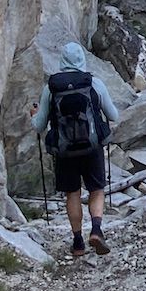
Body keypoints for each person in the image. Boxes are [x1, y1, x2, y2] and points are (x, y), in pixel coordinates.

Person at [31, 40, 120, 259]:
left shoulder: (51, 88)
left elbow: (39, 125)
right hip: (92, 147)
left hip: (64, 150)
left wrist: (32, 115)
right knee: (97, 189)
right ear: (82, 59)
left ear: (62, 61)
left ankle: (78, 241)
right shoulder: (94, 83)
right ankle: (97, 230)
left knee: (72, 192)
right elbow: (114, 116)